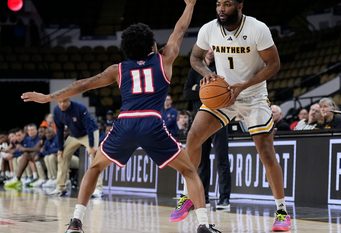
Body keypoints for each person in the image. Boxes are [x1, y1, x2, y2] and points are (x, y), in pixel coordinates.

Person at [21, 0, 221, 232]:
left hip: (125, 123)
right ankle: (203, 224)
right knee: (188, 171)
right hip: (151, 121)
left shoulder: (118, 69)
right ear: (152, 45)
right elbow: (179, 30)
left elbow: (83, 84)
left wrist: (47, 97)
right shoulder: (165, 59)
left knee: (95, 169)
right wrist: (190, 5)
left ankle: (76, 221)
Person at [171, 0, 291, 231]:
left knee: (265, 151)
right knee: (194, 137)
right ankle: (187, 197)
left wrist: (244, 86)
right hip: (224, 94)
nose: (221, 9)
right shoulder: (209, 29)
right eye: (218, 4)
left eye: (227, 4)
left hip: (253, 95)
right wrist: (208, 75)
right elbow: (195, 59)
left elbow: (274, 64)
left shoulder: (257, 28)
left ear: (240, 6)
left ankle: (282, 211)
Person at [183, 49, 231, 209]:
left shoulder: (222, 67)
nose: (211, 51)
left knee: (222, 159)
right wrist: (203, 90)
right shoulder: (195, 70)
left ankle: (224, 199)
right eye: (208, 48)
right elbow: (186, 93)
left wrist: (200, 88)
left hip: (219, 117)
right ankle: (203, 198)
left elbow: (225, 90)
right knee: (202, 161)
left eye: (214, 48)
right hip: (200, 119)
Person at [46, 98, 103, 198]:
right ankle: (60, 187)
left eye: (64, 101)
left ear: (69, 101)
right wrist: (60, 148)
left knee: (93, 157)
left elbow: (89, 126)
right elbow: (59, 130)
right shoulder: (56, 111)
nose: (62, 104)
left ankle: (98, 188)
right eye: (60, 102)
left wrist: (91, 146)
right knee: (62, 156)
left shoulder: (80, 108)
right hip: (74, 135)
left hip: (89, 133)